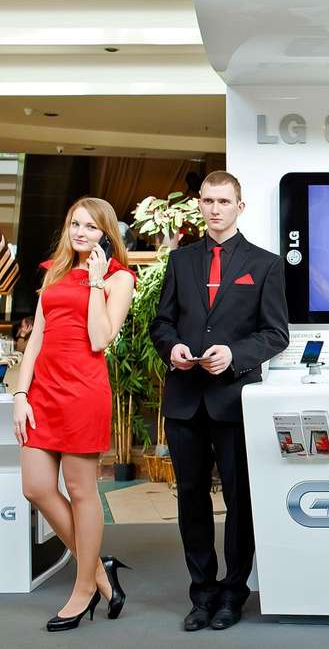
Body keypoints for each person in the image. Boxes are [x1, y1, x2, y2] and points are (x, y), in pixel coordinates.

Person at [150, 171, 289, 632]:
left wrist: (234, 355)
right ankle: (202, 594)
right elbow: (161, 323)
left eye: (224, 201)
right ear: (199, 204)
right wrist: (172, 348)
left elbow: (276, 334)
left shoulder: (265, 264)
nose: (215, 209)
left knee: (239, 501)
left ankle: (233, 593)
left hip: (234, 400)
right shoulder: (181, 261)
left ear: (239, 207)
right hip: (185, 400)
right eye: (208, 201)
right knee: (191, 499)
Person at [12, 197, 136, 631]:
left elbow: (100, 338)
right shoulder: (55, 272)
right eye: (75, 224)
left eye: (91, 226)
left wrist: (97, 282)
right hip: (42, 393)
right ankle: (100, 570)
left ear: (106, 234)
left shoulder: (120, 278)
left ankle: (84, 589)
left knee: (82, 492)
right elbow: (37, 339)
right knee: (36, 487)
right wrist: (21, 393)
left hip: (83, 393)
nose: (81, 233)